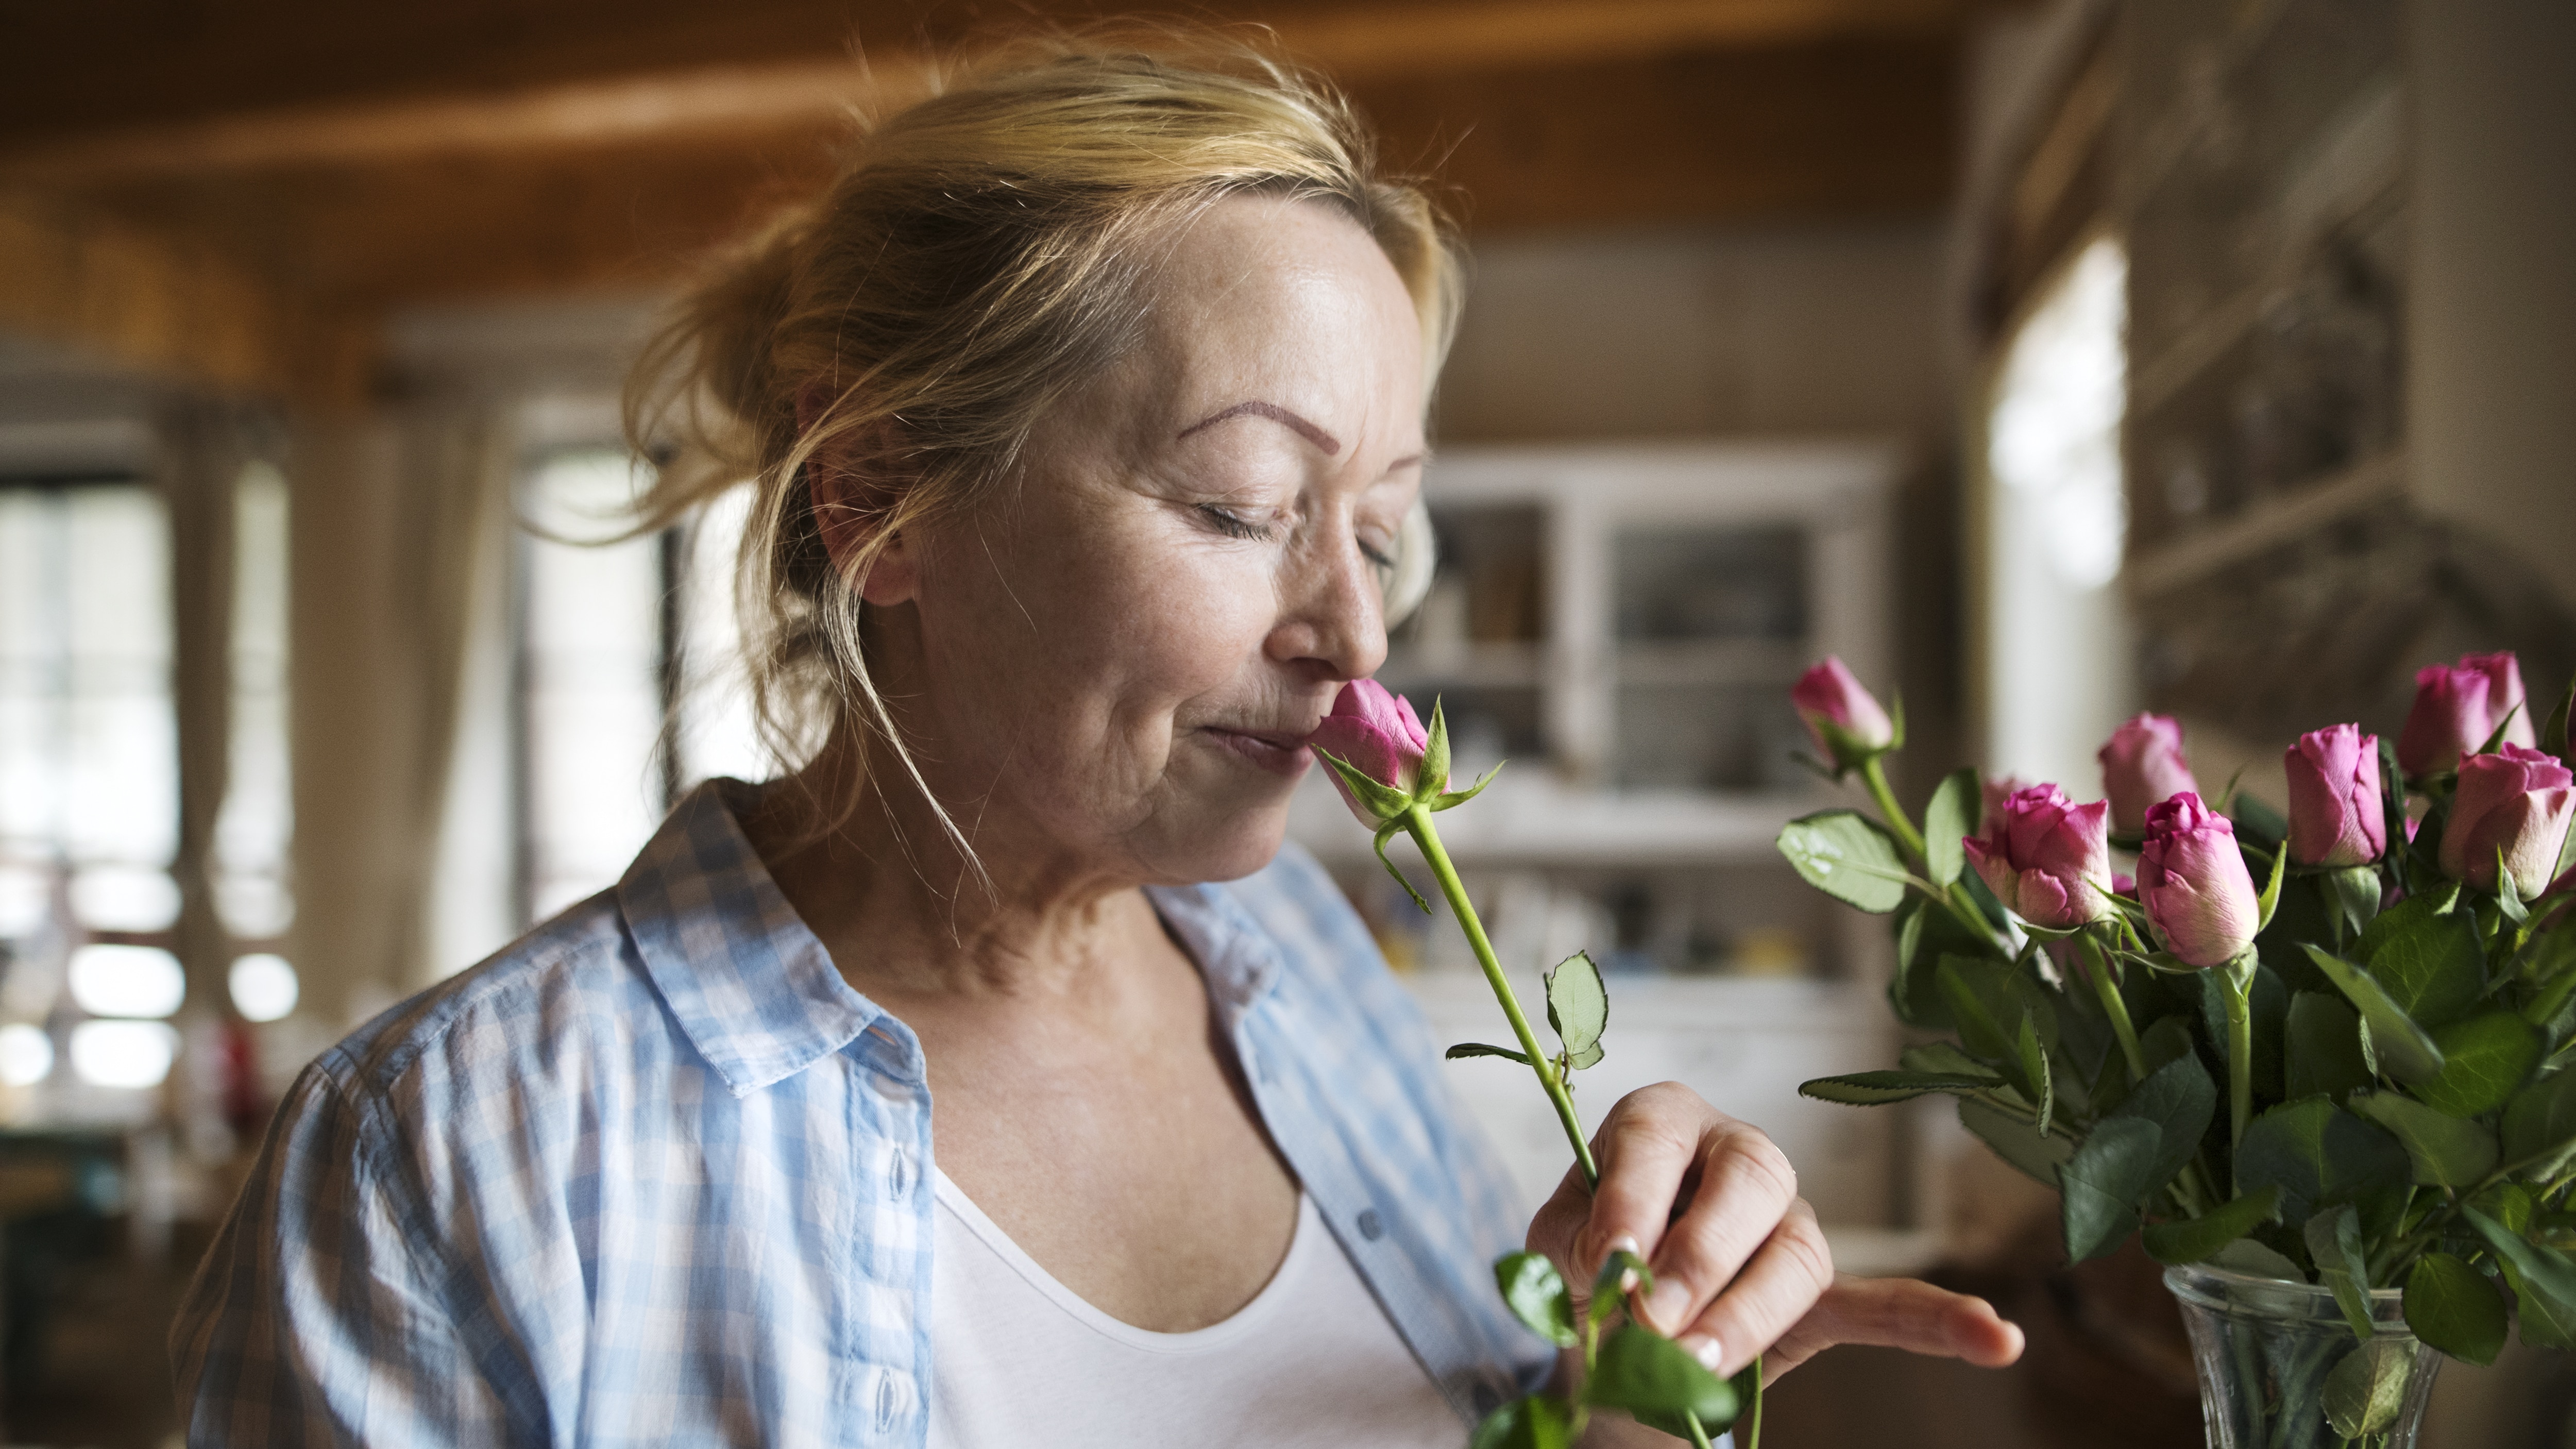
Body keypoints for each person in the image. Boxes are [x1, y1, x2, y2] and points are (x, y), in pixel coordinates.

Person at [170, 29, 2022, 1446]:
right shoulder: (450, 1163)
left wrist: (1624, 1388)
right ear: (879, 494)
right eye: (1238, 506)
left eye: (1379, 526)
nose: (1357, 634)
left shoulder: (1307, 963)